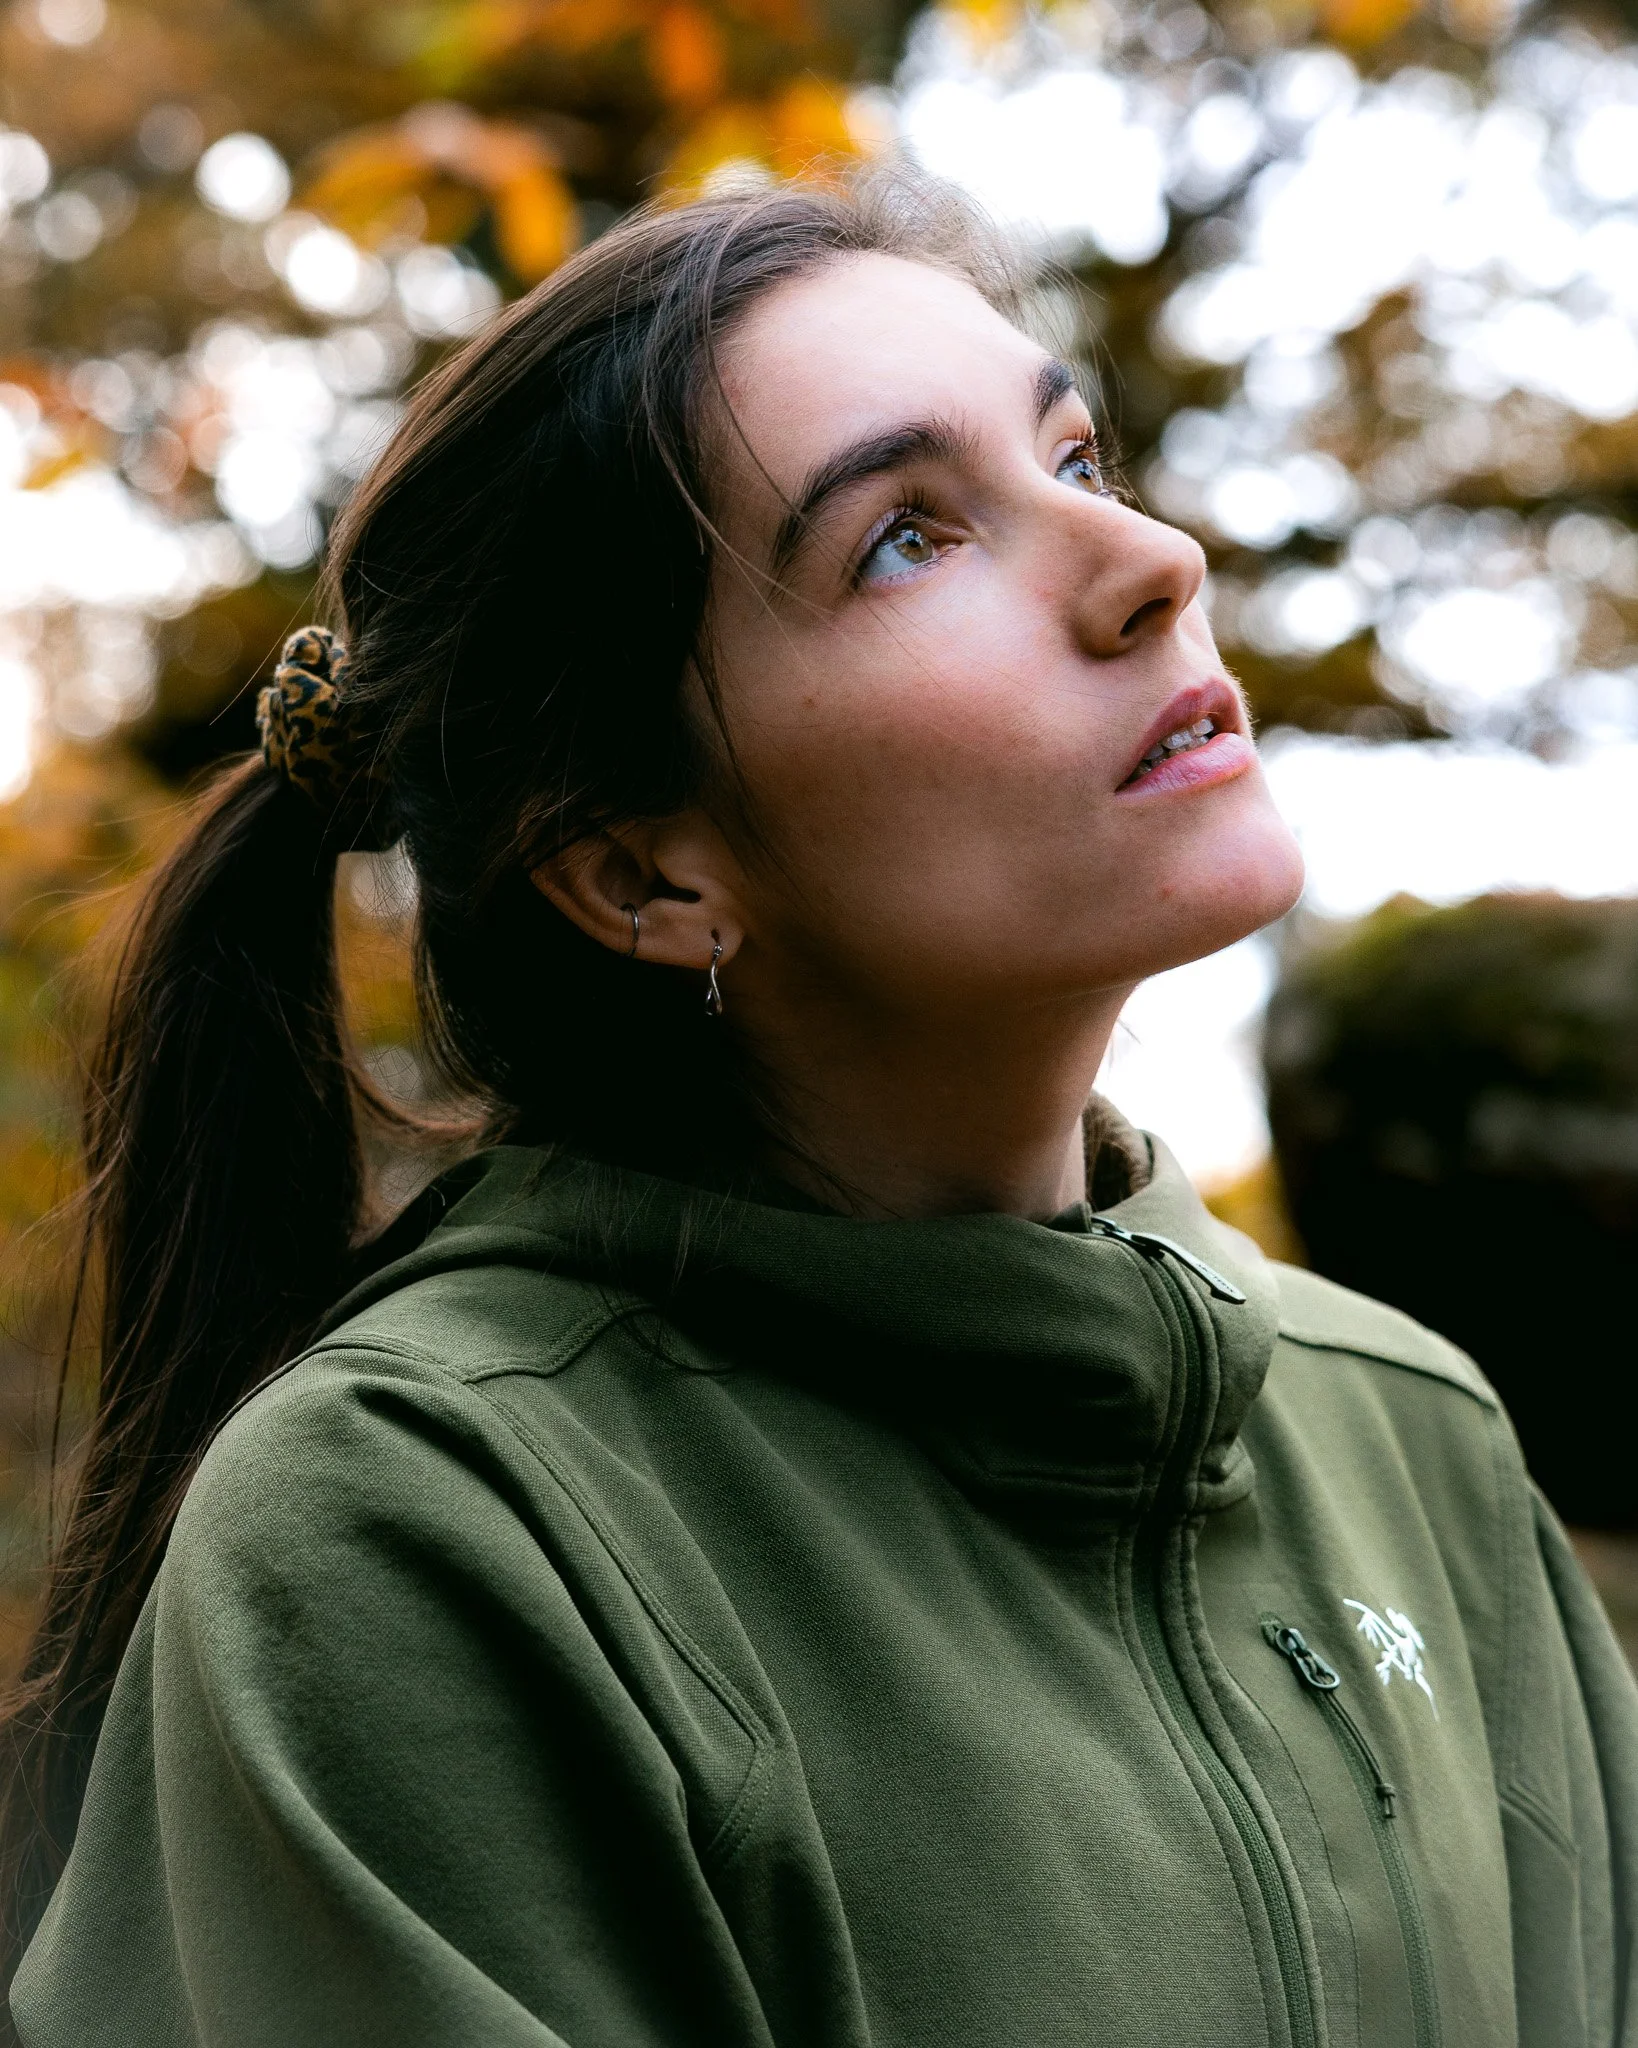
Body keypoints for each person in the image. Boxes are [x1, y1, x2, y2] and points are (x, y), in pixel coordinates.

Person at [1, 172, 1632, 2048]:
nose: (1153, 560)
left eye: (1077, 461)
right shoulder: (433, 1539)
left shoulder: (1404, 1437)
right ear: (640, 872)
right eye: (906, 540)